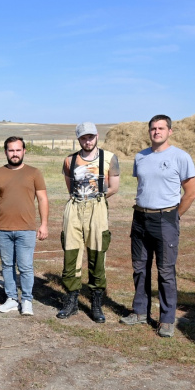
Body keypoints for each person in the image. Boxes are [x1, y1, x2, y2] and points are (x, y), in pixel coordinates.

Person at [120, 115, 195, 338]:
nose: (156, 132)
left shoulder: (180, 157)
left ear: (169, 131)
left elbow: (190, 193)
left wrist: (174, 217)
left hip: (166, 219)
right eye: (153, 128)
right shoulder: (140, 157)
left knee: (165, 272)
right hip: (140, 218)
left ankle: (166, 319)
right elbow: (144, 186)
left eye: (161, 128)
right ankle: (140, 311)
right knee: (140, 267)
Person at [57, 122, 120, 323]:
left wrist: (96, 199)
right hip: (75, 207)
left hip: (97, 208)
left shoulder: (109, 158)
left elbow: (114, 187)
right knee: (71, 252)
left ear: (97, 136)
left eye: (91, 137)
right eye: (84, 138)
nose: (88, 141)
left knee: (97, 252)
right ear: (78, 139)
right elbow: (69, 187)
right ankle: (72, 301)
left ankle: (96, 303)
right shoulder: (69, 160)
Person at [0, 136, 49, 316]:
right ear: (6, 152)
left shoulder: (34, 173)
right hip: (2, 229)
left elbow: (43, 198)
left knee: (26, 266)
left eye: (18, 150)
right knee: (7, 265)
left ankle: (27, 300)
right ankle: (12, 299)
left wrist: (44, 224)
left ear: (24, 151)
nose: (15, 154)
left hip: (26, 228)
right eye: (11, 150)